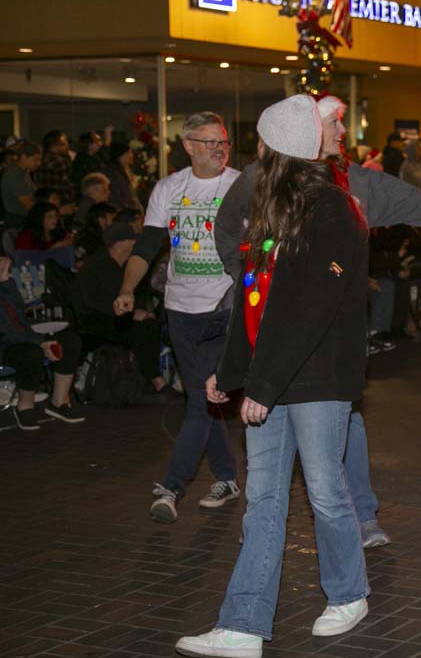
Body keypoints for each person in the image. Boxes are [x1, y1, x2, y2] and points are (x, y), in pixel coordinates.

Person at [175, 94, 371, 658]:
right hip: (271, 378)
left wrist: (260, 386)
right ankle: (243, 624)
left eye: (260, 142)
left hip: (316, 379)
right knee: (263, 500)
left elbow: (312, 307)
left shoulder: (331, 210)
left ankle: (349, 592)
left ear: (276, 147)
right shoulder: (272, 209)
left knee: (327, 494)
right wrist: (231, 372)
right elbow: (254, 299)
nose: (252, 151)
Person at [214, 94, 421, 549]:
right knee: (275, 479)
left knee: (344, 433)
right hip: (275, 342)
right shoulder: (260, 180)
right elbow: (228, 231)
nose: (343, 133)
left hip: (330, 350)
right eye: (334, 124)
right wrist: (248, 283)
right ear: (308, 133)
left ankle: (361, 518)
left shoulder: (355, 187)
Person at [115, 111, 241, 523]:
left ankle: (172, 487)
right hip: (181, 310)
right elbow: (148, 244)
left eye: (222, 142)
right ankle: (226, 477)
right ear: (188, 146)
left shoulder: (240, 186)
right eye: (209, 142)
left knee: (199, 406)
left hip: (224, 309)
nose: (219, 149)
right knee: (203, 399)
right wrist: (128, 289)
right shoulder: (169, 188)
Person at [71, 221, 175, 396]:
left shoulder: (123, 265)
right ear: (119, 243)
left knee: (152, 323)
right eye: (132, 240)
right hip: (94, 321)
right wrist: (133, 314)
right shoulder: (97, 265)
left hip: (115, 316)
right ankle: (157, 381)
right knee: (142, 329)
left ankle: (151, 377)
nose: (137, 244)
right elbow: (93, 302)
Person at [1, 255, 85, 428]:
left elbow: (20, 311)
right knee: (31, 353)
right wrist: (39, 343)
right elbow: (6, 329)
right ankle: (25, 406)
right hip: (5, 344)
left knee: (70, 340)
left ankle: (58, 402)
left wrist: (5, 280)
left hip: (26, 336)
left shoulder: (4, 285)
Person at [2, 142, 42, 224]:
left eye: (39, 160)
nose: (38, 163)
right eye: (35, 160)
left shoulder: (24, 172)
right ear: (23, 157)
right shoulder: (14, 174)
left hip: (23, 218)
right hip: (17, 220)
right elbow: (28, 203)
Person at [32, 130, 74, 206]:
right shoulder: (61, 162)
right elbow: (67, 187)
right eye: (64, 144)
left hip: (42, 202)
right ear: (55, 146)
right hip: (61, 202)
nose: (67, 147)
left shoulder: (37, 160)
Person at [103, 141, 141, 212]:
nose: (131, 155)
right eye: (128, 153)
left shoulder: (125, 170)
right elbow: (117, 196)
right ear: (119, 155)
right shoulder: (113, 172)